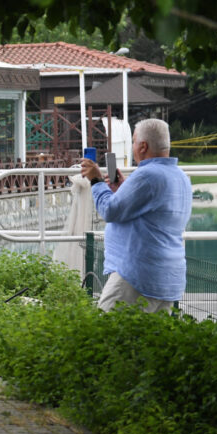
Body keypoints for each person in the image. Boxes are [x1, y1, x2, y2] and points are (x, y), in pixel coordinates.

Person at [80, 118, 192, 313]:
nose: (132, 147)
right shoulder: (180, 176)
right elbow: (153, 212)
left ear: (143, 146)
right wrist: (124, 189)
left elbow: (110, 211)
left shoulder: (147, 175)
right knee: (151, 340)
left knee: (106, 335)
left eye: (133, 141)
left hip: (137, 276)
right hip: (167, 277)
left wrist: (96, 180)